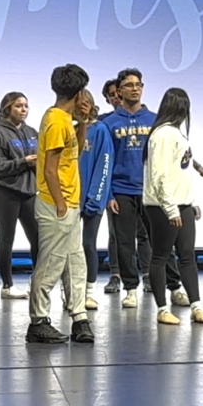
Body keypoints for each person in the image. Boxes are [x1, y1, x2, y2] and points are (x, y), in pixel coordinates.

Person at [104, 69, 188, 309]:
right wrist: (108, 194)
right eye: (128, 85)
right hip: (121, 188)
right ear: (118, 91)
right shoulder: (109, 123)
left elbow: (175, 154)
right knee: (124, 242)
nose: (134, 88)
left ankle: (174, 287)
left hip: (151, 191)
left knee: (161, 241)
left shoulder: (154, 120)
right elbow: (106, 161)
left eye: (138, 84)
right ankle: (131, 289)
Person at [26, 64, 95, 344]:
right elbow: (50, 169)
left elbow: (73, 153)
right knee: (52, 263)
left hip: (68, 201)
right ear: (79, 93)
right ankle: (38, 321)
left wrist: (84, 123)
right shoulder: (56, 121)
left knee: (75, 264)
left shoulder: (65, 119)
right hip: (57, 203)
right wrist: (60, 204)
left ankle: (79, 317)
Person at [145, 88, 203, 326]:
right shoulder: (162, 135)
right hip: (162, 206)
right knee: (161, 256)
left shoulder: (177, 134)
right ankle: (162, 309)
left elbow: (180, 171)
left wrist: (190, 202)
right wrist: (171, 209)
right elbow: (160, 175)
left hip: (181, 202)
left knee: (187, 256)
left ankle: (196, 306)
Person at [0, 92, 40, 300]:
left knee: (37, 237)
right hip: (4, 191)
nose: (23, 110)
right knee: (7, 237)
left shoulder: (33, 132)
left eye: (26, 106)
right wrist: (24, 162)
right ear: (7, 108)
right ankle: (7, 285)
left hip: (29, 191)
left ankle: (38, 280)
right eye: (18, 106)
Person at [78, 89, 113, 311]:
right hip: (69, 200)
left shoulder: (100, 130)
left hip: (93, 198)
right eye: (78, 102)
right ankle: (70, 292)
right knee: (68, 249)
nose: (82, 106)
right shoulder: (68, 128)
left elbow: (104, 164)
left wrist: (95, 197)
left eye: (86, 102)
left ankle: (89, 292)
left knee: (88, 245)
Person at [99, 78, 123, 294]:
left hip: (141, 184)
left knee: (144, 235)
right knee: (115, 233)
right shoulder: (104, 123)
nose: (117, 97)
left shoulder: (144, 119)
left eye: (118, 92)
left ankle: (146, 275)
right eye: (112, 95)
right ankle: (115, 274)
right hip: (114, 184)